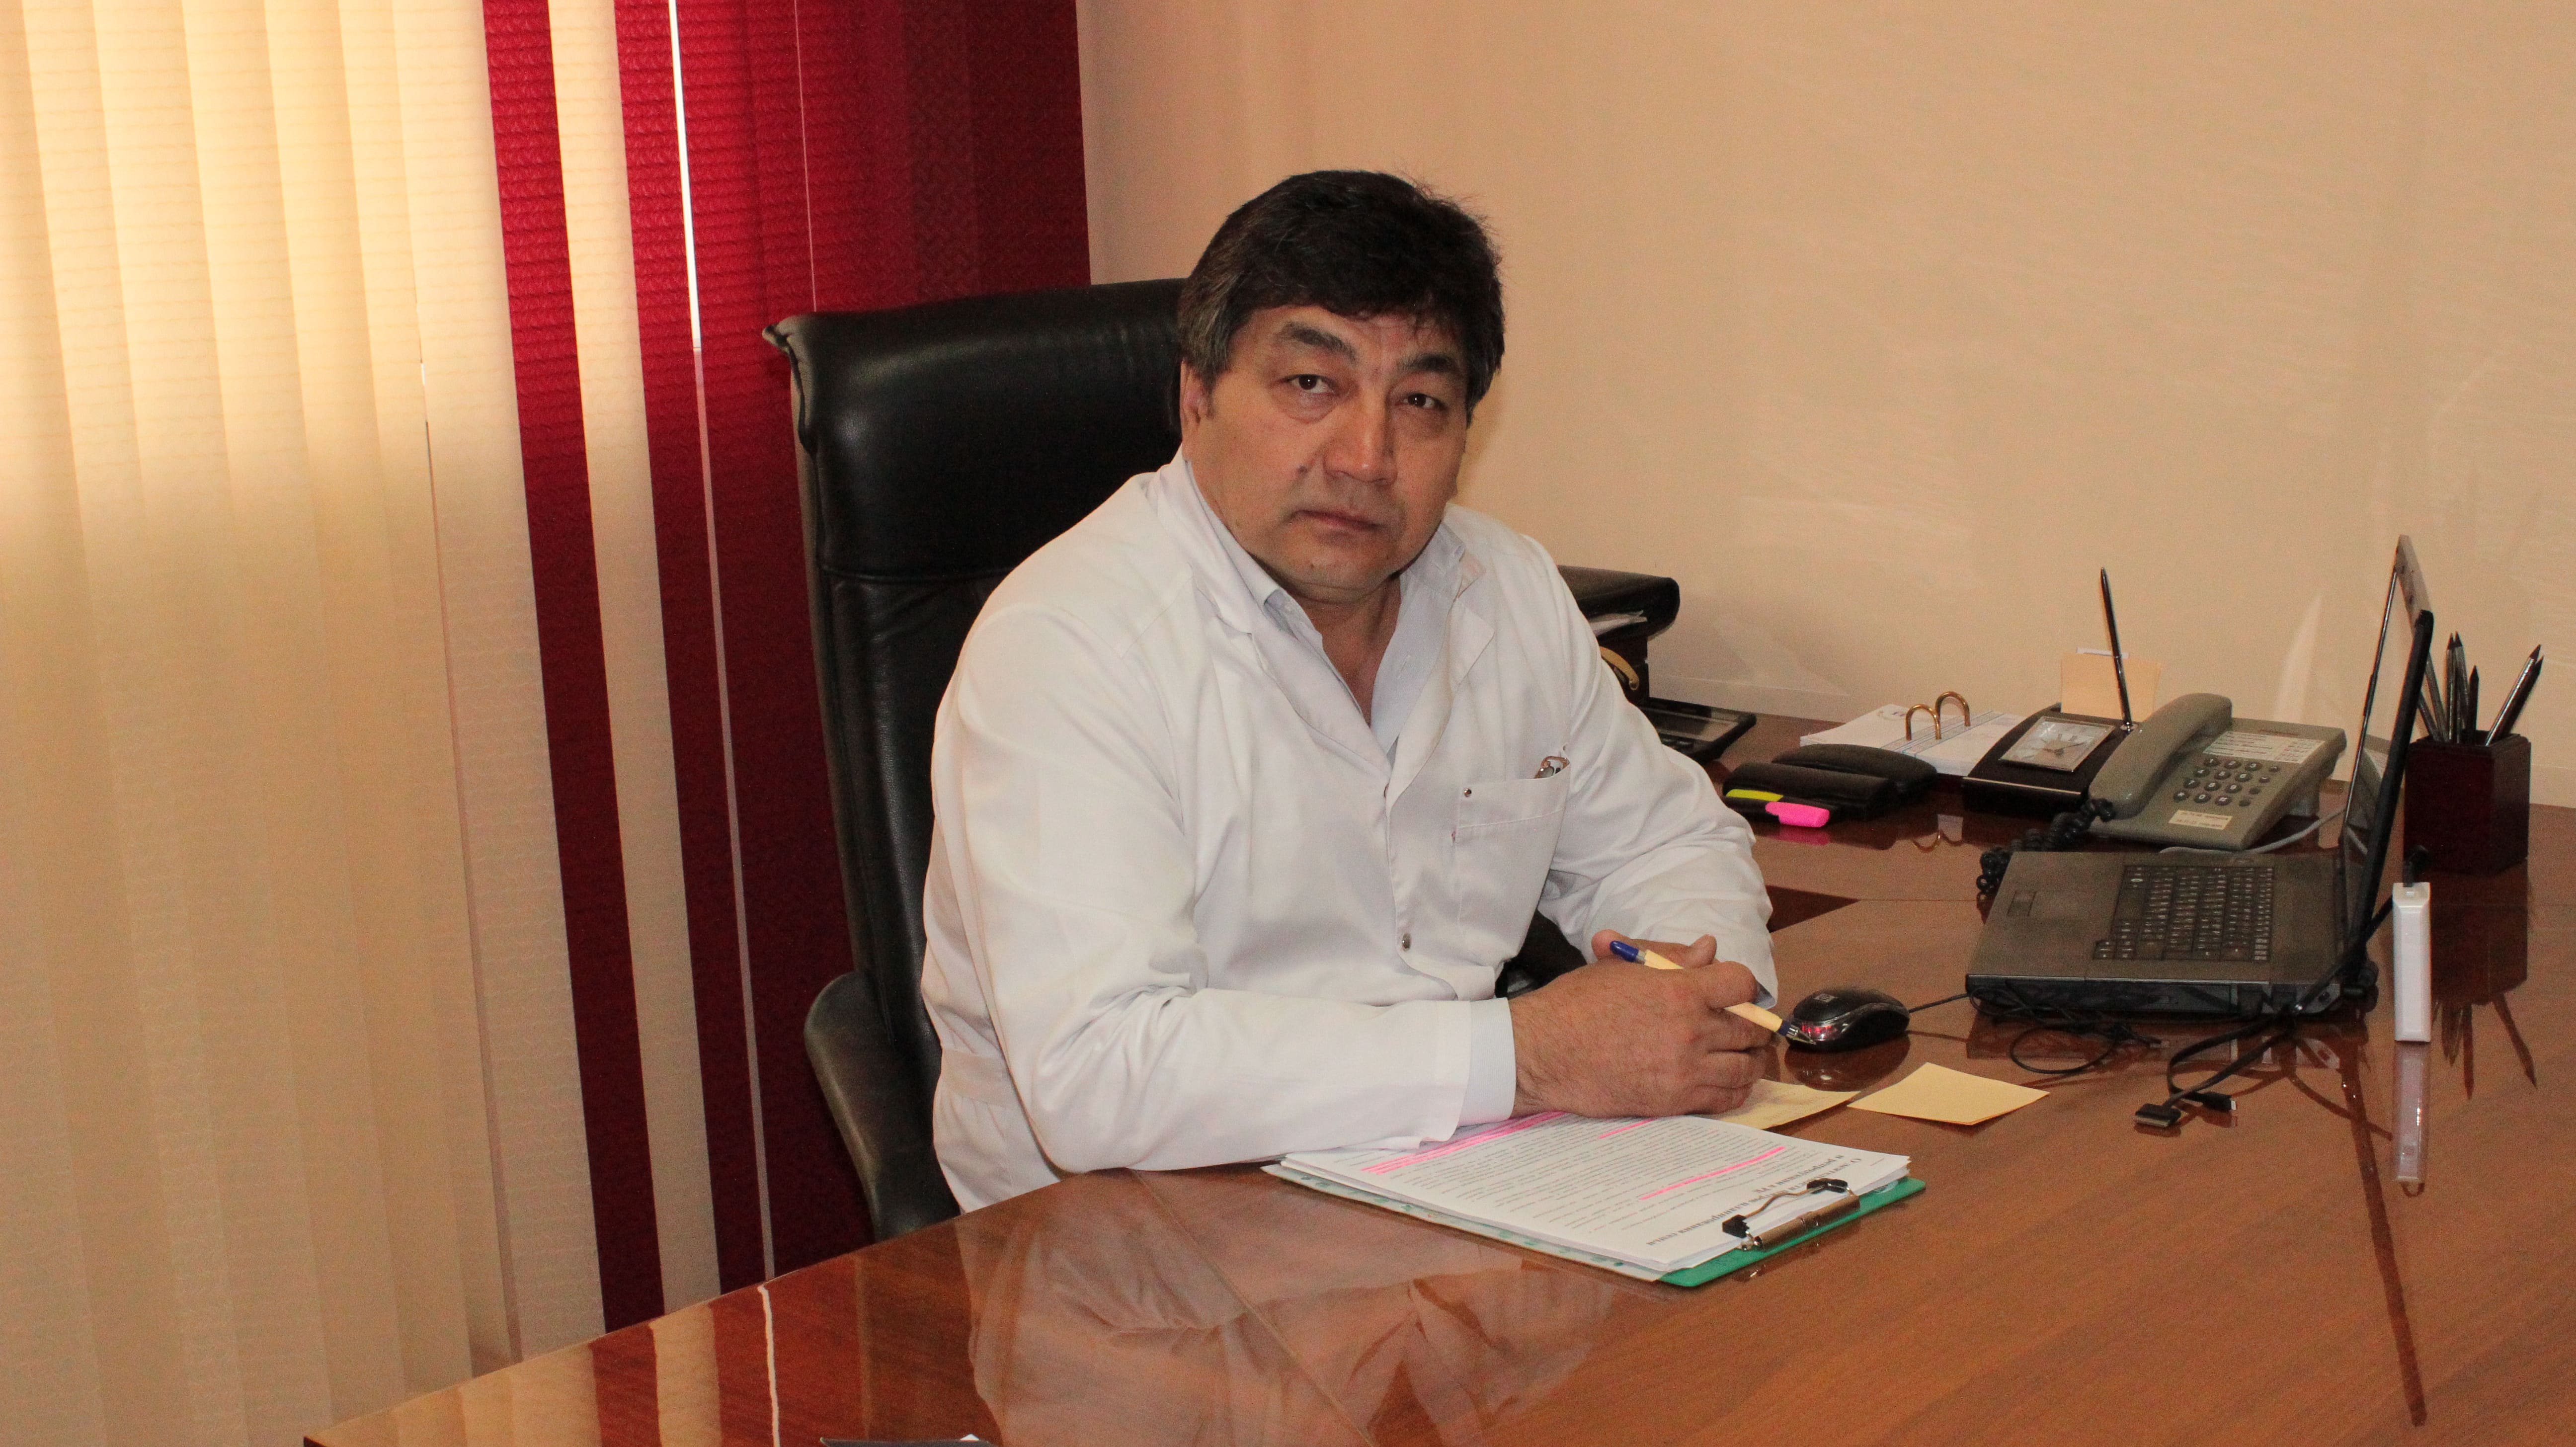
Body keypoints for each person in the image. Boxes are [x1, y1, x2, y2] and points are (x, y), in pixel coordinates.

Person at [921, 170, 1776, 1211]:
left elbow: (1666, 846)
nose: (1367, 457)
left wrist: (1700, 1000)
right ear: (1196, 395)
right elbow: (1101, 1071)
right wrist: (1526, 1054)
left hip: (1461, 1192)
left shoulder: (1503, 589)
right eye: (1310, 385)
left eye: (1419, 402)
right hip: (1133, 1242)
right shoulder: (1068, 644)